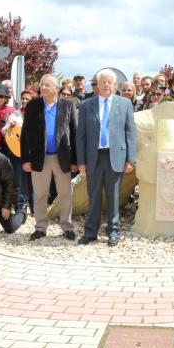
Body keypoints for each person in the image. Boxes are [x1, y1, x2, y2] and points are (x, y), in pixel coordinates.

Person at [76, 69, 137, 246]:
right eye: (103, 82)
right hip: (94, 158)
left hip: (116, 157)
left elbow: (130, 133)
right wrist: (81, 162)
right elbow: (81, 137)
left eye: (110, 82)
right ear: (97, 85)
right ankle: (90, 232)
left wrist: (130, 159)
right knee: (93, 196)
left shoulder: (125, 104)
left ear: (116, 86)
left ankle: (113, 232)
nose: (106, 85)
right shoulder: (87, 105)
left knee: (113, 197)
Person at [21, 74, 77, 241]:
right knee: (40, 195)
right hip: (40, 158)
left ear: (56, 88)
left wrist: (75, 160)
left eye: (47, 85)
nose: (43, 88)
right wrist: (26, 159)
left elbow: (74, 134)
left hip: (63, 158)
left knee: (66, 193)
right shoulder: (33, 106)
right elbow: (25, 134)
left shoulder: (68, 105)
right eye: (42, 85)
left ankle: (67, 226)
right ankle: (40, 227)